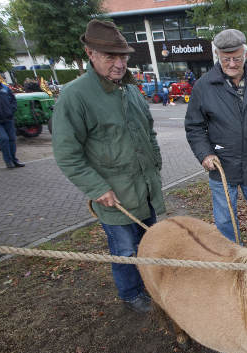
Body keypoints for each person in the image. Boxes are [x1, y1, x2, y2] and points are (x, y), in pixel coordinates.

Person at [52, 20, 165, 313]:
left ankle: (151, 287)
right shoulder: (75, 95)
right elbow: (67, 153)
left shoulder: (130, 89)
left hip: (147, 190)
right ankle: (131, 294)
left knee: (150, 246)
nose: (119, 64)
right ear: (90, 53)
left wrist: (156, 163)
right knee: (126, 251)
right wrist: (96, 188)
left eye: (123, 56)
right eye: (110, 57)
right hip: (115, 196)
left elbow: (149, 132)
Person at [185, 29, 247, 243]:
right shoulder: (204, 86)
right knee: (225, 219)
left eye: (236, 58)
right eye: (225, 58)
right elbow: (194, 126)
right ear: (217, 55)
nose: (232, 64)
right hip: (222, 166)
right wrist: (205, 154)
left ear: (245, 55)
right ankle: (231, 258)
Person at [0, 75, 24, 169]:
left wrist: (11, 110)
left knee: (12, 140)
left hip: (8, 118)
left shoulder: (3, 87)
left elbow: (13, 99)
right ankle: (8, 161)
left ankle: (14, 160)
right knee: (4, 138)